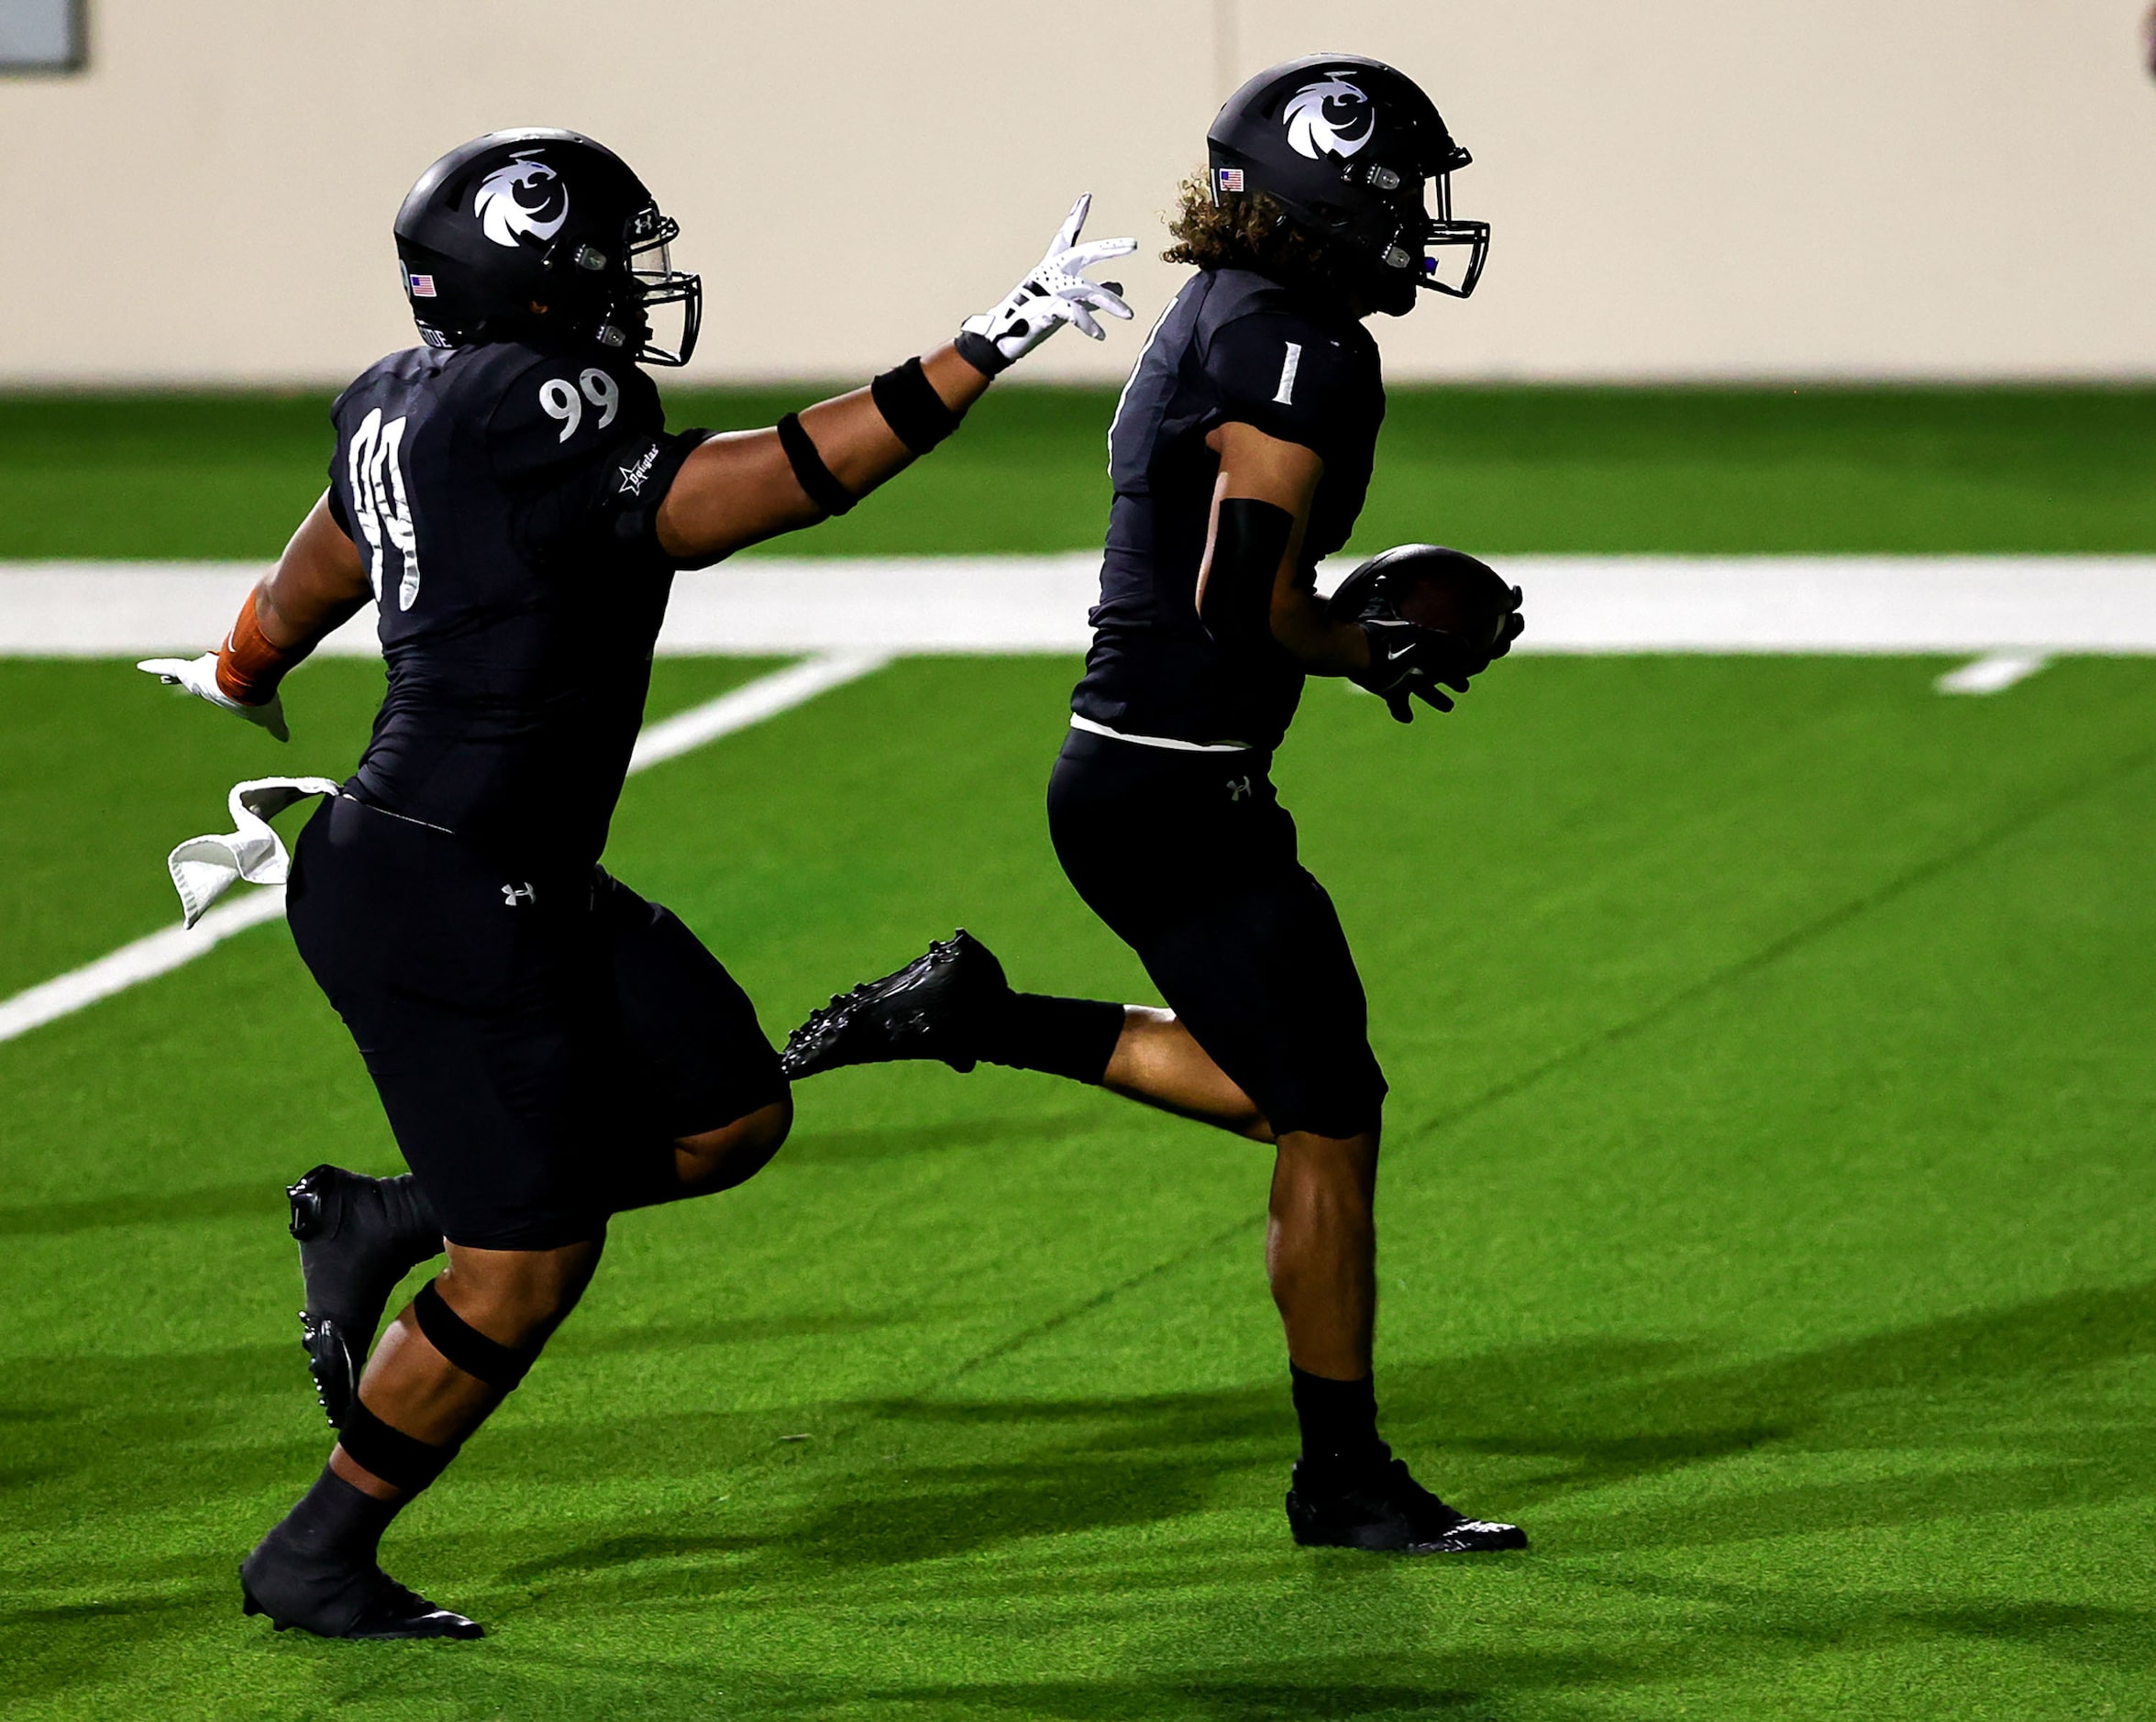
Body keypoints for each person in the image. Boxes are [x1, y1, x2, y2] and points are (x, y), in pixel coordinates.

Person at [139, 127, 1133, 1639]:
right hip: (442, 888)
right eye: (612, 256)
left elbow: (332, 551)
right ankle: (319, 1549)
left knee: (729, 1111)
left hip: (497, 867)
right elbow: (766, 488)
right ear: (535, 279)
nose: (636, 285)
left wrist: (244, 661)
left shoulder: (394, 401)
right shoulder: (550, 403)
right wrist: (985, 344)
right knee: (528, 1265)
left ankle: (386, 1212)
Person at [782, 57, 1529, 1555]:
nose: (1420, 223)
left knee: (1288, 1094)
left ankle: (975, 1015)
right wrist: (1358, 646)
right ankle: (1344, 1479)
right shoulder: (1300, 347)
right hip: (1174, 784)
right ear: (1338, 194)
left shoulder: (1231, 314)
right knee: (1329, 1110)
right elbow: (1242, 600)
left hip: (1147, 773)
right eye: (1400, 192)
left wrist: (1321, 627)